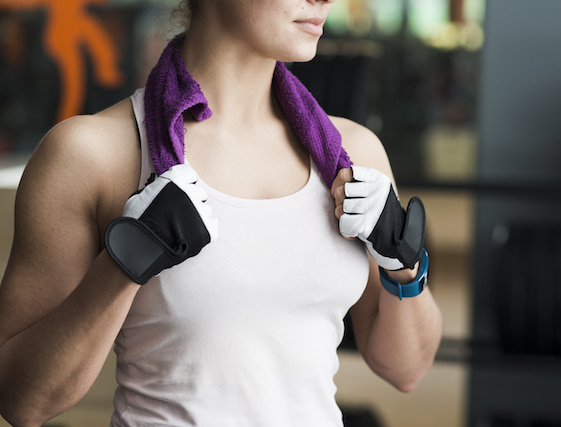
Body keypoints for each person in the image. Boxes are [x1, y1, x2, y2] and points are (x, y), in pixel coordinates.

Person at [0, 0, 443, 425]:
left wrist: (401, 265)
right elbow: (22, 402)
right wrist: (123, 265)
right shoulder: (94, 154)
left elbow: (406, 370)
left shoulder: (353, 156)